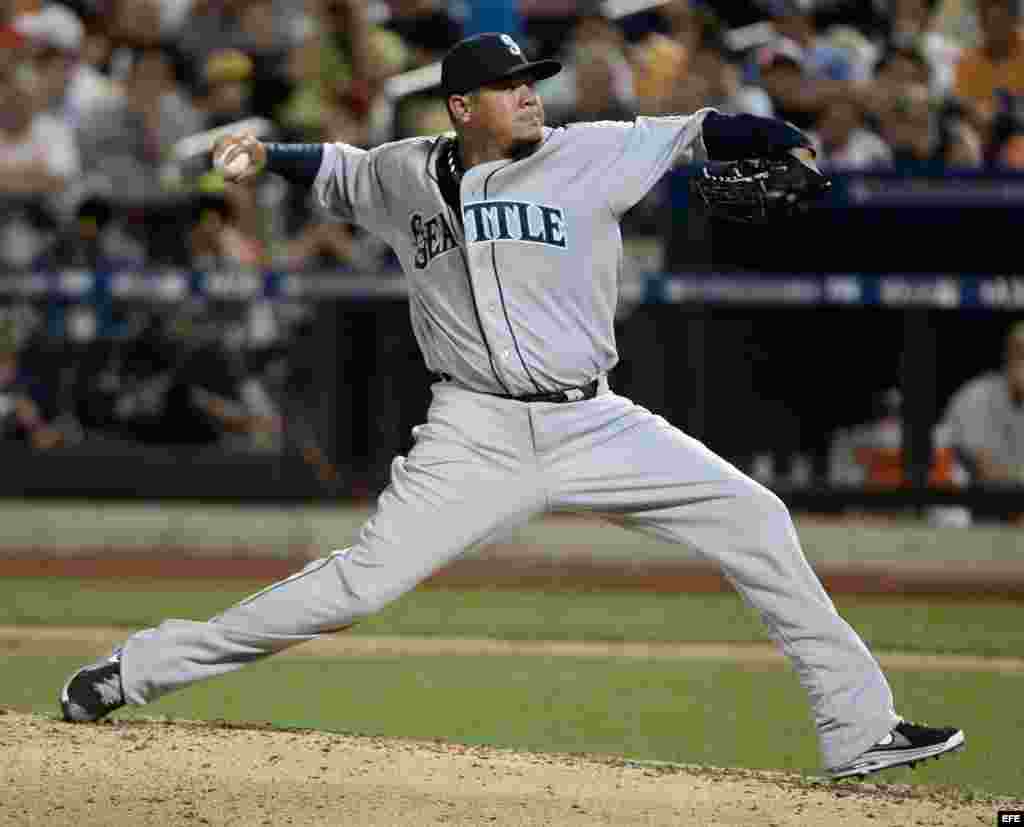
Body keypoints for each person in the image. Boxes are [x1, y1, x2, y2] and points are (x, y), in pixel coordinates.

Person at [58, 31, 965, 781]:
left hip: (595, 419)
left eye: (532, 82)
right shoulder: (402, 173)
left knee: (755, 515)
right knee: (359, 585)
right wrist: (260, 151)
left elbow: (700, 129)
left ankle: (858, 729)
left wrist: (774, 139)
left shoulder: (592, 151)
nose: (531, 97)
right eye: (509, 88)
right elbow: (330, 165)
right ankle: (134, 669)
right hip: (475, 429)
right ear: (462, 108)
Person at [943, 321, 1024, 487]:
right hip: (978, 505)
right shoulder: (977, 395)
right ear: (1007, 355)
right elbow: (985, 470)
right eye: (1020, 352)